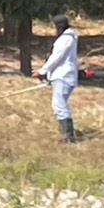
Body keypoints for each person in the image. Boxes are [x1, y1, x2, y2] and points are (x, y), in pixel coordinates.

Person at [38, 14, 79, 143]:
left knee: (59, 105)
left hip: (63, 75)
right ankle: (66, 134)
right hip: (62, 75)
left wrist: (42, 71)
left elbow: (56, 57)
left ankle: (68, 136)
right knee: (59, 104)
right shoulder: (69, 36)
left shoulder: (65, 39)